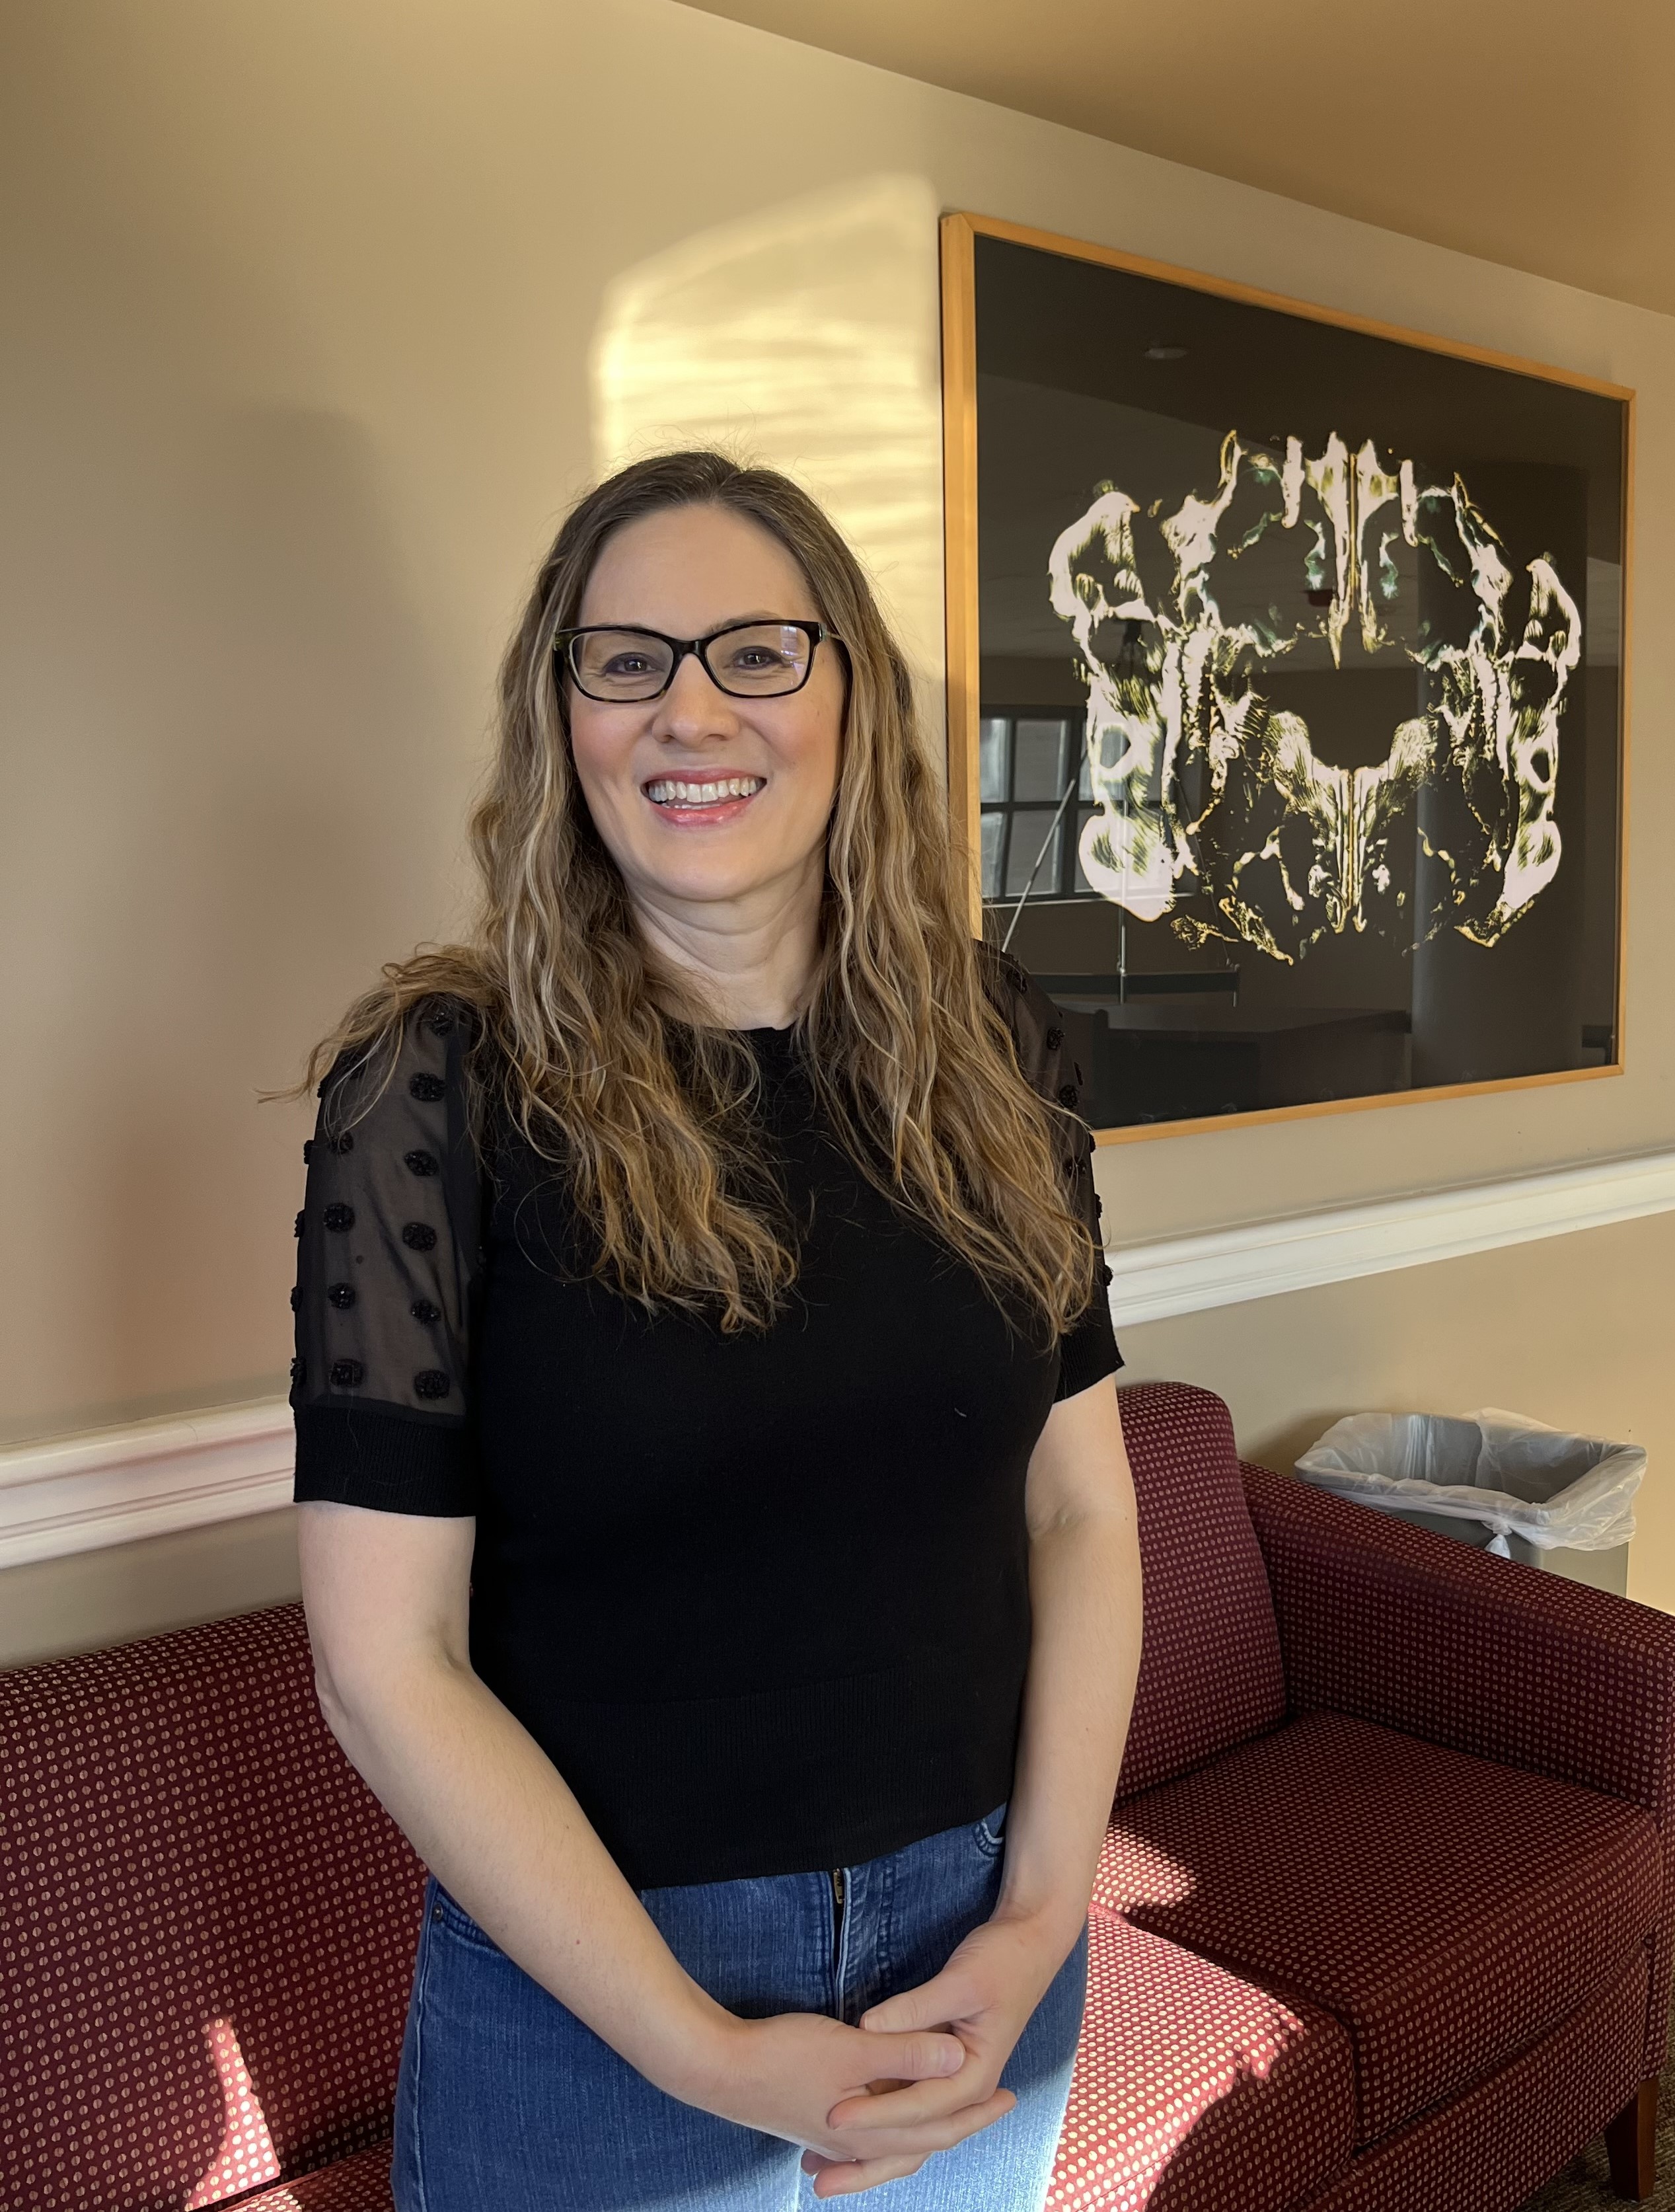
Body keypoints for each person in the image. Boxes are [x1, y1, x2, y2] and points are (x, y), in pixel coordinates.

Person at [289, 450, 1142, 2209]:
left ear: (847, 695)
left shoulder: (998, 1048)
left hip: (978, 1946)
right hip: (598, 1995)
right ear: (562, 716)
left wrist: (1045, 1908)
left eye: (756, 651)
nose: (690, 707)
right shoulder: (431, 1090)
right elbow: (386, 1664)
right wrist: (699, 2045)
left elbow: (1083, 1514)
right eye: (625, 659)